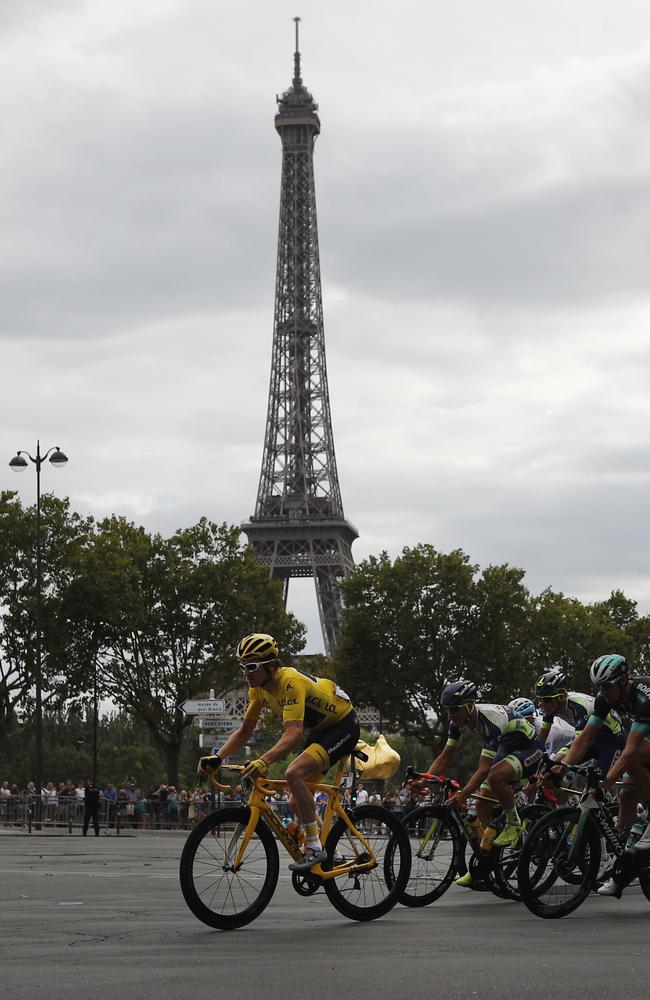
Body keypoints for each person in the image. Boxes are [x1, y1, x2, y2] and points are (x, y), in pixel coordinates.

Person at [198, 632, 360, 872]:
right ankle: (329, 850)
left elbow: (294, 733)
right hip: (320, 729)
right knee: (296, 800)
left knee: (292, 773)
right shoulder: (259, 690)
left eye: (251, 666)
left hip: (343, 726)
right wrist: (218, 757)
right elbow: (244, 732)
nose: (245, 672)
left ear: (272, 665)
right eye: (242, 666)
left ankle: (315, 847)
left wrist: (263, 760)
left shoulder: (289, 681)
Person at [427, 680, 544, 888]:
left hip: (530, 747)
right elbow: (446, 757)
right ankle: (485, 861)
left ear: (470, 706)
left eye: (454, 710)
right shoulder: (456, 723)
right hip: (507, 746)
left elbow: (484, 769)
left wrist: (462, 796)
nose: (450, 716)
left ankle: (515, 824)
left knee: (494, 777)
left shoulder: (490, 720)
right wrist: (424, 780)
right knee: (482, 803)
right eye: (447, 711)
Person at [578, 654, 650, 897]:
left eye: (608, 686)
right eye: (599, 687)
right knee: (627, 794)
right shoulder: (605, 699)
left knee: (635, 753)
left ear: (623, 681)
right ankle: (623, 868)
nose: (604, 692)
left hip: (642, 744)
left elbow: (630, 750)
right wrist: (560, 767)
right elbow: (585, 738)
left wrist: (604, 783)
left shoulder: (643, 695)